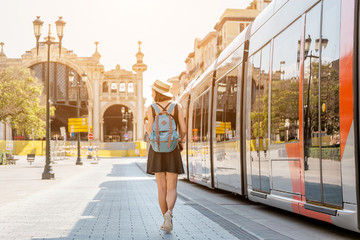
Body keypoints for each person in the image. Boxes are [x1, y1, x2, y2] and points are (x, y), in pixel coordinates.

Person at [145, 79, 186, 233]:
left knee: (161, 188)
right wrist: (177, 138)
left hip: (156, 150)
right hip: (172, 148)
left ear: (157, 92)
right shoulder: (177, 106)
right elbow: (183, 128)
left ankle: (165, 219)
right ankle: (170, 213)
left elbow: (149, 130)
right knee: (172, 187)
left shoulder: (152, 108)